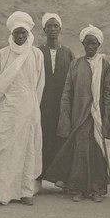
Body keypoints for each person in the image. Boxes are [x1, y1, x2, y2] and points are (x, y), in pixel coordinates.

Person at [0, 11, 45, 206]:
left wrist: (32, 106)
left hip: (29, 107)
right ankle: (3, 193)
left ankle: (25, 192)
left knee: (27, 149)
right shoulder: (3, 54)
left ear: (28, 33)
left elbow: (39, 84)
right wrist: (0, 109)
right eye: (16, 33)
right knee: (5, 150)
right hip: (7, 109)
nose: (20, 37)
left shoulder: (36, 54)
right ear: (11, 34)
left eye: (23, 33)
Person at [43, 25, 110, 202]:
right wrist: (66, 117)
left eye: (94, 44)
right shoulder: (75, 64)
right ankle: (78, 189)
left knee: (97, 151)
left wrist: (105, 119)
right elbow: (67, 92)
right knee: (80, 150)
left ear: (98, 45)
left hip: (96, 116)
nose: (90, 47)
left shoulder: (104, 65)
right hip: (78, 115)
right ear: (83, 44)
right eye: (87, 44)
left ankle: (97, 189)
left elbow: (108, 93)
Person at [37, 13, 75, 187]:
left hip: (63, 106)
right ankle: (37, 177)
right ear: (44, 29)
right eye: (49, 26)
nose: (52, 29)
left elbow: (73, 80)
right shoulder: (36, 52)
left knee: (62, 138)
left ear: (60, 29)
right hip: (42, 105)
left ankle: (60, 179)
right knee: (41, 139)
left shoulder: (67, 53)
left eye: (55, 26)